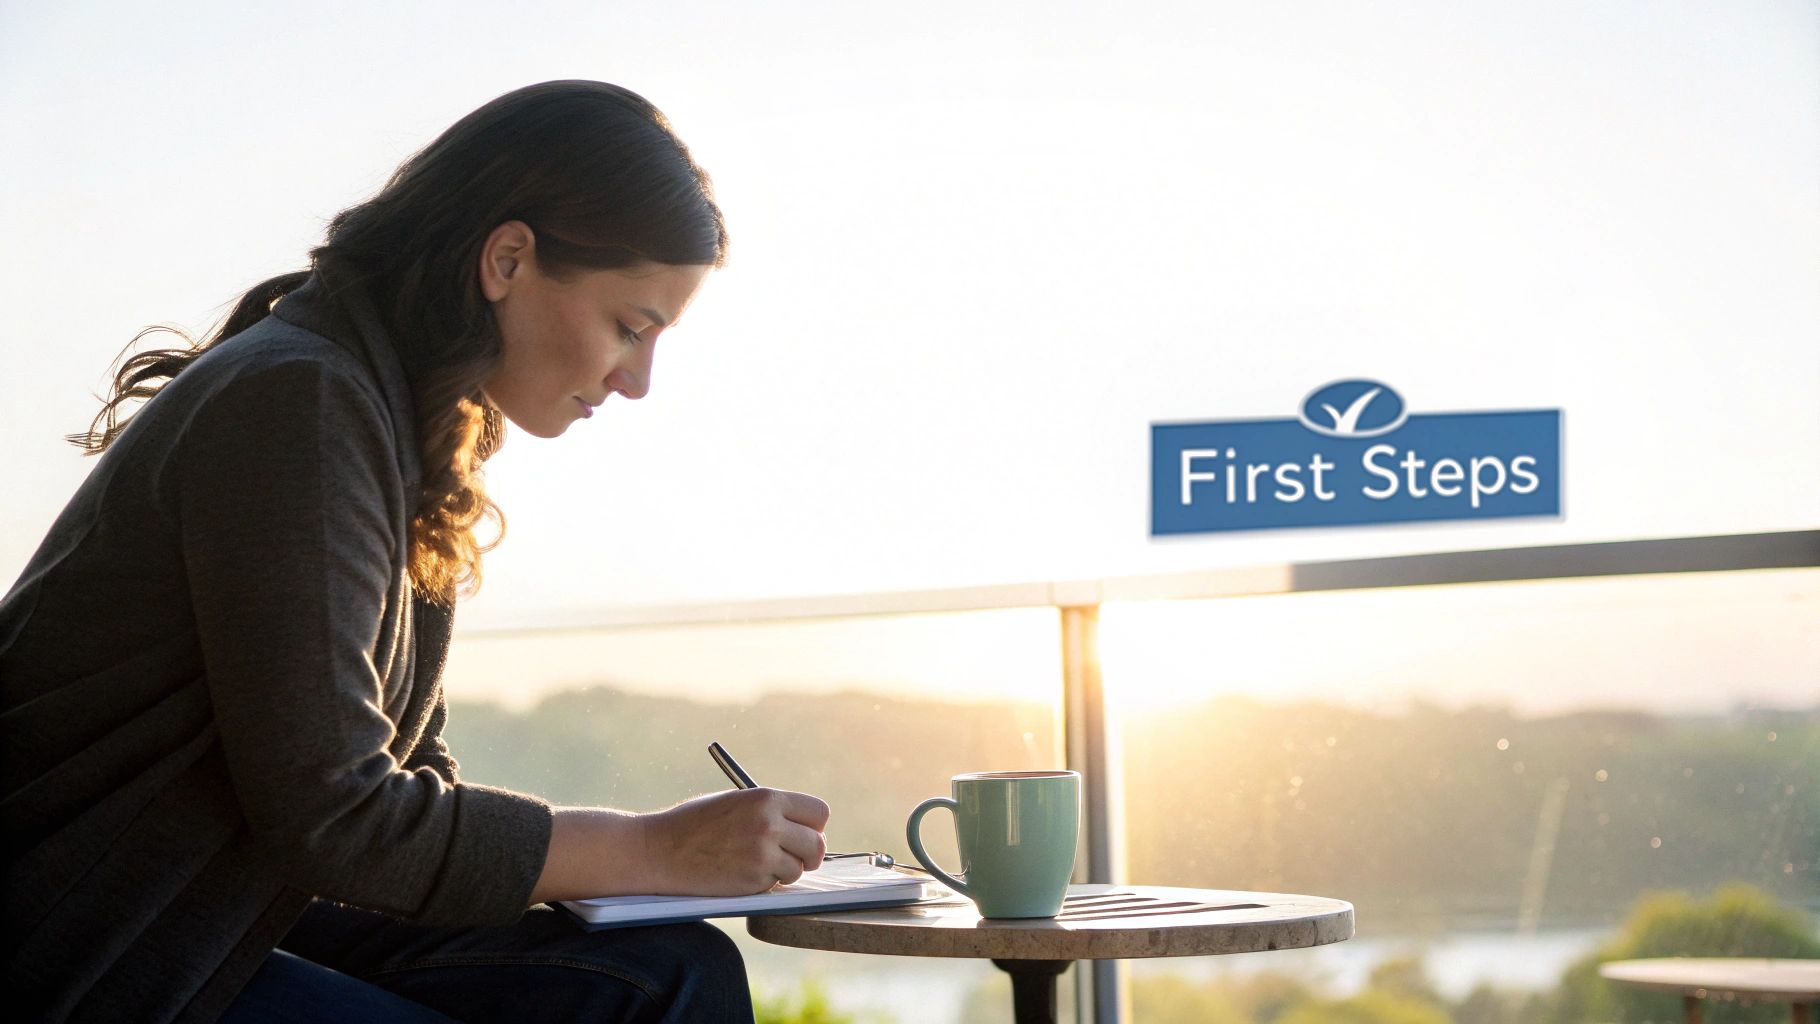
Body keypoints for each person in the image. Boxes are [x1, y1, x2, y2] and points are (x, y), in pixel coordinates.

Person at [0, 80, 831, 1023]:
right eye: (629, 327)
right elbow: (339, 818)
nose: (637, 380)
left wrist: (645, 867)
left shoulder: (406, 418)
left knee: (670, 970)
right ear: (508, 258)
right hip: (94, 947)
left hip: (220, 906)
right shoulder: (299, 401)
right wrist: (649, 849)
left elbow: (403, 773)